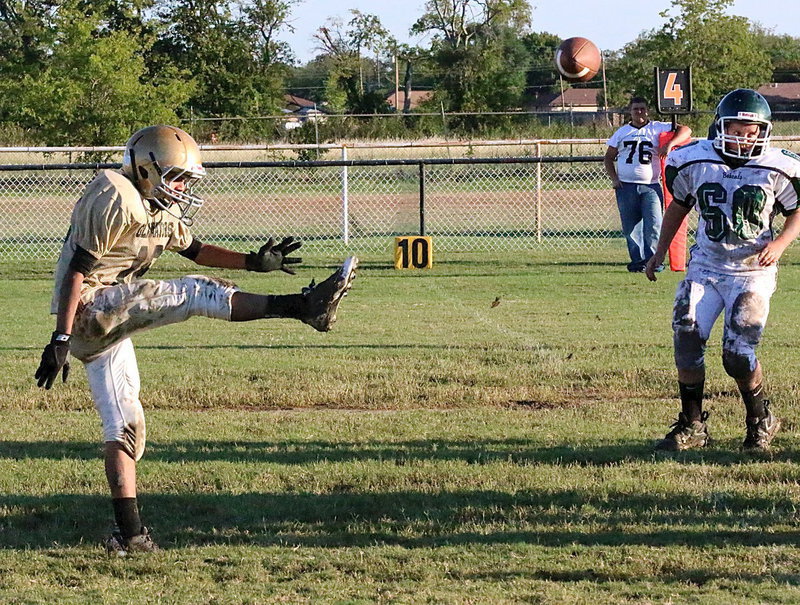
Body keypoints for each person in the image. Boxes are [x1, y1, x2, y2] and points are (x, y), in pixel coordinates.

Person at [34, 125, 358, 555]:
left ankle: (130, 536)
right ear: (146, 170)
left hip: (105, 324)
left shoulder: (156, 209)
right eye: (177, 176)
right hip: (89, 312)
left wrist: (254, 262)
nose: (183, 186)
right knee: (193, 291)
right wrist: (60, 335)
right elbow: (77, 269)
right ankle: (302, 306)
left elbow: (197, 249)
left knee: (126, 428)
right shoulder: (117, 193)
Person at [645, 89, 800, 452]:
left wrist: (779, 244)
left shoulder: (780, 166)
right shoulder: (692, 160)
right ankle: (692, 425)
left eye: (751, 130)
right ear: (720, 125)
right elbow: (678, 208)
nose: (743, 136)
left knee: (737, 354)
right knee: (686, 337)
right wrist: (659, 251)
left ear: (763, 131)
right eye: (736, 127)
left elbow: (797, 211)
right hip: (707, 266)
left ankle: (760, 418)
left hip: (751, 270)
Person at [604, 97, 692, 272]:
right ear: (630, 111)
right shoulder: (622, 132)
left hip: (651, 185)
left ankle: (654, 261)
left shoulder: (657, 127)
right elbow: (608, 157)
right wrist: (614, 178)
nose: (639, 112)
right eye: (636, 109)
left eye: (642, 109)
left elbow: (686, 130)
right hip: (626, 186)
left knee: (654, 225)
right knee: (631, 228)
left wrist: (670, 144)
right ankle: (637, 263)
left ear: (648, 110)